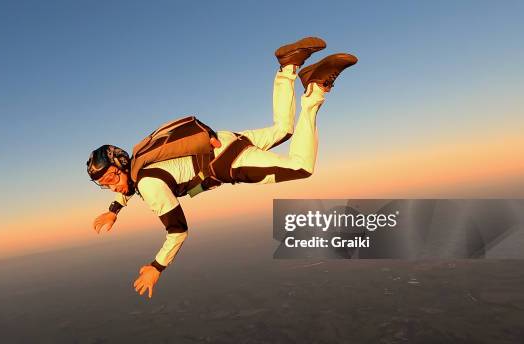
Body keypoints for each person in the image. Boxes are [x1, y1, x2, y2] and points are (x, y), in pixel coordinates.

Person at [86, 37, 358, 299]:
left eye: (111, 177)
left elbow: (178, 230)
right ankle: (288, 66)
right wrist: (114, 211)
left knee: (301, 167)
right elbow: (128, 185)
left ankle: (315, 90)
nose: (112, 186)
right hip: (226, 140)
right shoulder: (138, 162)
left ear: (120, 166)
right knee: (284, 130)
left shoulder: (147, 184)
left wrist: (156, 267)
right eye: (104, 184)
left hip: (228, 163)